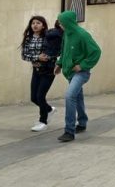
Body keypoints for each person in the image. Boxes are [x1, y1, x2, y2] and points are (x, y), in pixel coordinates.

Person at [54, 10, 102, 142]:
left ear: (68, 22)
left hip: (81, 73)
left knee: (70, 96)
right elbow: (64, 51)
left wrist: (82, 65)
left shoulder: (82, 35)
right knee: (77, 97)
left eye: (61, 22)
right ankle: (82, 123)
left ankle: (69, 131)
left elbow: (96, 51)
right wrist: (59, 64)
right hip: (69, 72)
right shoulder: (66, 35)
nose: (60, 24)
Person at [20, 15, 62, 131]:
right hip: (36, 70)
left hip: (48, 70)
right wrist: (37, 57)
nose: (35, 25)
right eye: (33, 23)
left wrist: (50, 58)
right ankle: (49, 109)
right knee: (34, 98)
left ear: (43, 25)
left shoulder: (49, 36)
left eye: (38, 23)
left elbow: (56, 51)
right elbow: (24, 55)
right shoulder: (28, 38)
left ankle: (42, 121)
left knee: (40, 96)